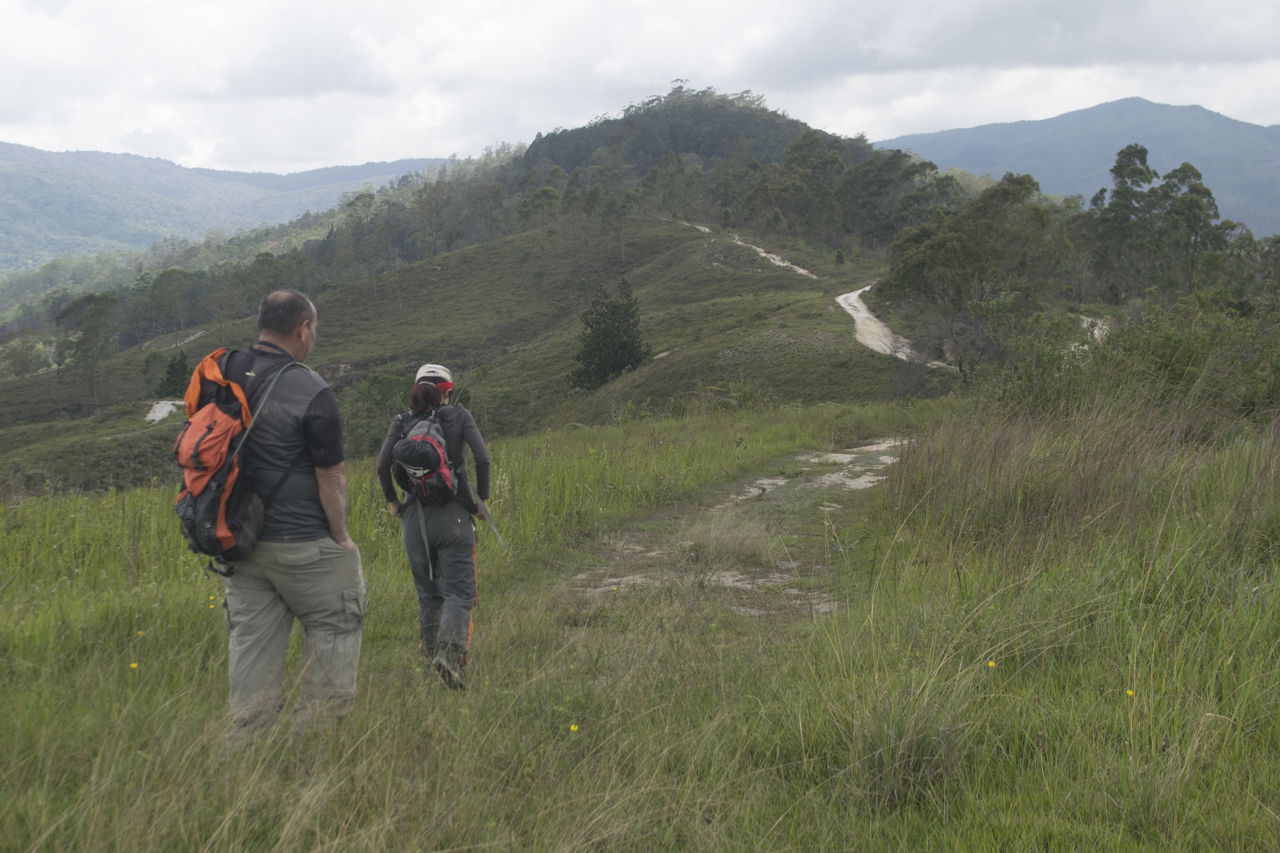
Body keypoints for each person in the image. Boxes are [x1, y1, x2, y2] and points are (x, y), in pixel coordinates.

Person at [221, 289, 365, 739]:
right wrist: (340, 538)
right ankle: (313, 747)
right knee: (335, 627)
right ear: (303, 327)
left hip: (238, 544)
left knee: (252, 648)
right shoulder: (310, 387)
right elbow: (331, 476)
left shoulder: (223, 372)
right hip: (303, 545)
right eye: (314, 327)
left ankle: (246, 748)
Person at [376, 363, 490, 689]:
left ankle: (430, 664)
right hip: (454, 516)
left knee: (428, 594)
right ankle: (450, 658)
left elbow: (382, 465)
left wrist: (393, 501)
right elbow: (482, 459)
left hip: (415, 519)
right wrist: (480, 501)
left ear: (416, 390)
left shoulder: (401, 422)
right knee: (459, 591)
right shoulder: (460, 417)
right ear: (448, 391)